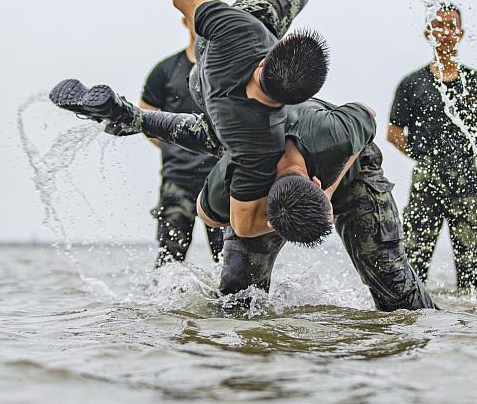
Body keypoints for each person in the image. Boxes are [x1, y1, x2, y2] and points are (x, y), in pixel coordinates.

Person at [148, 0, 435, 240]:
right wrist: (323, 193)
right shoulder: (245, 43)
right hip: (225, 80)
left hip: (224, 73)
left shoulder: (240, 38)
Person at [50, 82, 435, 311]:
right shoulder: (236, 181)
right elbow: (208, 213)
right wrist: (250, 220)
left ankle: (128, 116)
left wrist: (330, 191)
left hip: (351, 172)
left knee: (393, 283)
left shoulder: (337, 131)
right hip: (245, 138)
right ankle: (123, 114)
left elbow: (366, 114)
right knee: (238, 299)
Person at [387, 4, 477, 290]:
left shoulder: (476, 82)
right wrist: (425, 157)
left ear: (460, 33)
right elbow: (393, 132)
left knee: (472, 265)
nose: (445, 31)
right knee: (414, 259)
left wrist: (466, 151)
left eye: (451, 26)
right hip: (427, 179)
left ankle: (470, 326)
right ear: (428, 33)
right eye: (438, 25)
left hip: (466, 178)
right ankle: (416, 322)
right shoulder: (413, 84)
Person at [140, 0, 223, 266]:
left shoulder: (230, 70)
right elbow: (145, 114)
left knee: (230, 260)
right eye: (196, 11)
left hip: (224, 179)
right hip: (178, 179)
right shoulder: (166, 70)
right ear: (185, 19)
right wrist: (171, 146)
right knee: (169, 260)